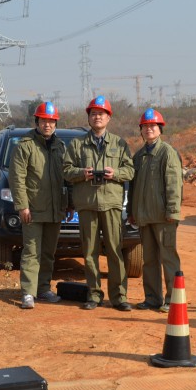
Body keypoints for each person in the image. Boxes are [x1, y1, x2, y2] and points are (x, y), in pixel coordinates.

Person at [64, 95, 136, 311]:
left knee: (115, 250)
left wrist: (115, 173)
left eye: (101, 114)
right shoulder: (77, 144)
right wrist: (81, 173)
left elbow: (130, 170)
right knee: (90, 252)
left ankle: (119, 296)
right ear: (89, 117)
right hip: (87, 204)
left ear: (108, 118)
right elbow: (66, 170)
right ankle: (94, 295)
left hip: (112, 204)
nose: (97, 117)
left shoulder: (119, 143)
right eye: (93, 114)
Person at [11, 101, 70, 310]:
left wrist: (67, 205)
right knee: (31, 251)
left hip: (55, 210)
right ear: (37, 121)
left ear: (55, 123)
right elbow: (17, 178)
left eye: (51, 121)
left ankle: (43, 288)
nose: (48, 124)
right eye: (44, 120)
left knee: (48, 252)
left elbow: (66, 180)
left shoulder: (60, 147)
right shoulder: (25, 146)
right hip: (33, 209)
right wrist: (22, 206)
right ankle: (28, 292)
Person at [128, 108, 184, 313]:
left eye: (152, 126)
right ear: (141, 130)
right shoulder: (140, 156)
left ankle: (173, 299)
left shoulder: (167, 153)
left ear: (160, 129)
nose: (149, 129)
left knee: (169, 258)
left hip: (163, 217)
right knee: (149, 260)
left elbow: (173, 185)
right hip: (144, 218)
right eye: (145, 126)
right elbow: (133, 188)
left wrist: (172, 212)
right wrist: (133, 212)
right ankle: (152, 298)